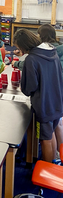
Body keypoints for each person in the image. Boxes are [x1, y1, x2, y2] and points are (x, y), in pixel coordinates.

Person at [13, 24, 63, 162]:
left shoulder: (32, 59)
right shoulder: (51, 50)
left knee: (44, 139)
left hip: (43, 105)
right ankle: (52, 165)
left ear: (24, 45)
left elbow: (29, 88)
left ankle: (47, 171)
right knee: (50, 133)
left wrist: (25, 87)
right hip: (57, 100)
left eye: (19, 47)